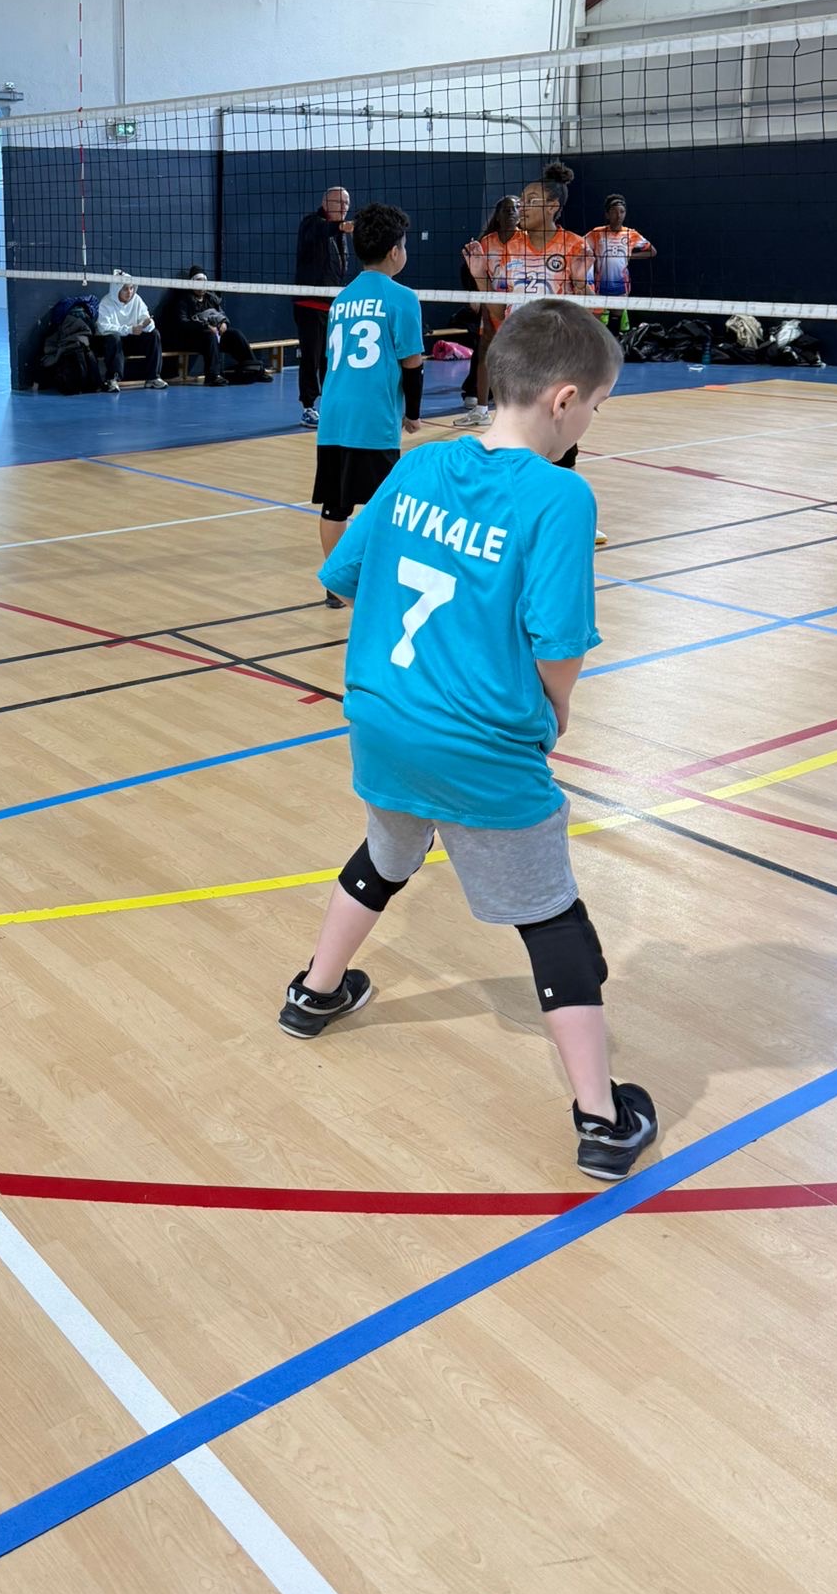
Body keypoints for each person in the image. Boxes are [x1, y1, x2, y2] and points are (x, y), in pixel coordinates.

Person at [280, 298, 657, 1183]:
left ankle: (315, 993)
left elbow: (342, 573)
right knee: (551, 915)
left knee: (387, 851)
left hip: (383, 722)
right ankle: (602, 1119)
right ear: (564, 399)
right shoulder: (561, 496)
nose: (590, 424)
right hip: (478, 744)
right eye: (598, 407)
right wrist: (553, 713)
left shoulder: (417, 466)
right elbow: (558, 642)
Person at [462, 161, 604, 543]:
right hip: (519, 358)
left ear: (554, 205)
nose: (522, 207)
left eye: (532, 200)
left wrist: (580, 282)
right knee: (517, 440)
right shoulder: (509, 249)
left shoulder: (575, 246)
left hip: (560, 356)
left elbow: (595, 310)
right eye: (523, 200)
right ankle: (514, 518)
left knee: (561, 444)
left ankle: (567, 518)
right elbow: (496, 315)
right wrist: (481, 278)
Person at [313, 203, 424, 611]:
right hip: (373, 419)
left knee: (335, 506)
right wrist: (413, 413)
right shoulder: (402, 298)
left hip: (333, 417)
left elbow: (328, 361)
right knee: (386, 507)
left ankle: (335, 585)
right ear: (395, 251)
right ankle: (381, 585)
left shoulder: (341, 299)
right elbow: (412, 364)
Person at [450, 195, 519, 428]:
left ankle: (515, 411)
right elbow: (473, 273)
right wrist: (478, 300)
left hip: (519, 306)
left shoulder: (527, 241)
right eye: (507, 209)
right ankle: (481, 410)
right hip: (492, 303)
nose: (513, 212)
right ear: (498, 215)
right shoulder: (487, 243)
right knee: (485, 353)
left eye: (517, 208)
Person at [293, 186, 354, 427]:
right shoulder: (311, 223)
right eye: (339, 202)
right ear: (325, 203)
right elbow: (321, 230)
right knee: (311, 356)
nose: (344, 207)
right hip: (309, 304)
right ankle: (308, 407)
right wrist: (342, 227)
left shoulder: (340, 232)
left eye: (347, 203)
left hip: (331, 307)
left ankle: (330, 404)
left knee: (331, 359)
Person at [168, 267, 268, 386]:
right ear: (192, 284)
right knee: (210, 336)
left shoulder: (211, 298)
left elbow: (222, 315)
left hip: (216, 336)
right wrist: (204, 326)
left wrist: (224, 323)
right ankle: (213, 376)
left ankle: (255, 369)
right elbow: (182, 323)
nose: (201, 286)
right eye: (198, 282)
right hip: (193, 338)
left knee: (235, 334)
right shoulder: (183, 301)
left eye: (203, 282)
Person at [584, 195, 655, 336]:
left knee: (615, 323)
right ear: (607, 214)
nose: (618, 216)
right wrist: (589, 260)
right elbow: (579, 246)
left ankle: (616, 344)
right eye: (614, 212)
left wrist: (630, 256)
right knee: (597, 323)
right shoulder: (597, 233)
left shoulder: (630, 234)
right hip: (600, 284)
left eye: (622, 212)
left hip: (621, 284)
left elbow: (652, 252)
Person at [95, 272, 167, 391]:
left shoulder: (137, 300)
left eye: (131, 288)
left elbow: (145, 317)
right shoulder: (106, 303)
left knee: (154, 334)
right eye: (125, 289)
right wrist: (129, 329)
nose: (129, 292)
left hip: (132, 341)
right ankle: (112, 379)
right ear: (117, 289)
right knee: (113, 338)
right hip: (112, 345)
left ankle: (153, 378)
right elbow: (104, 328)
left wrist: (146, 325)